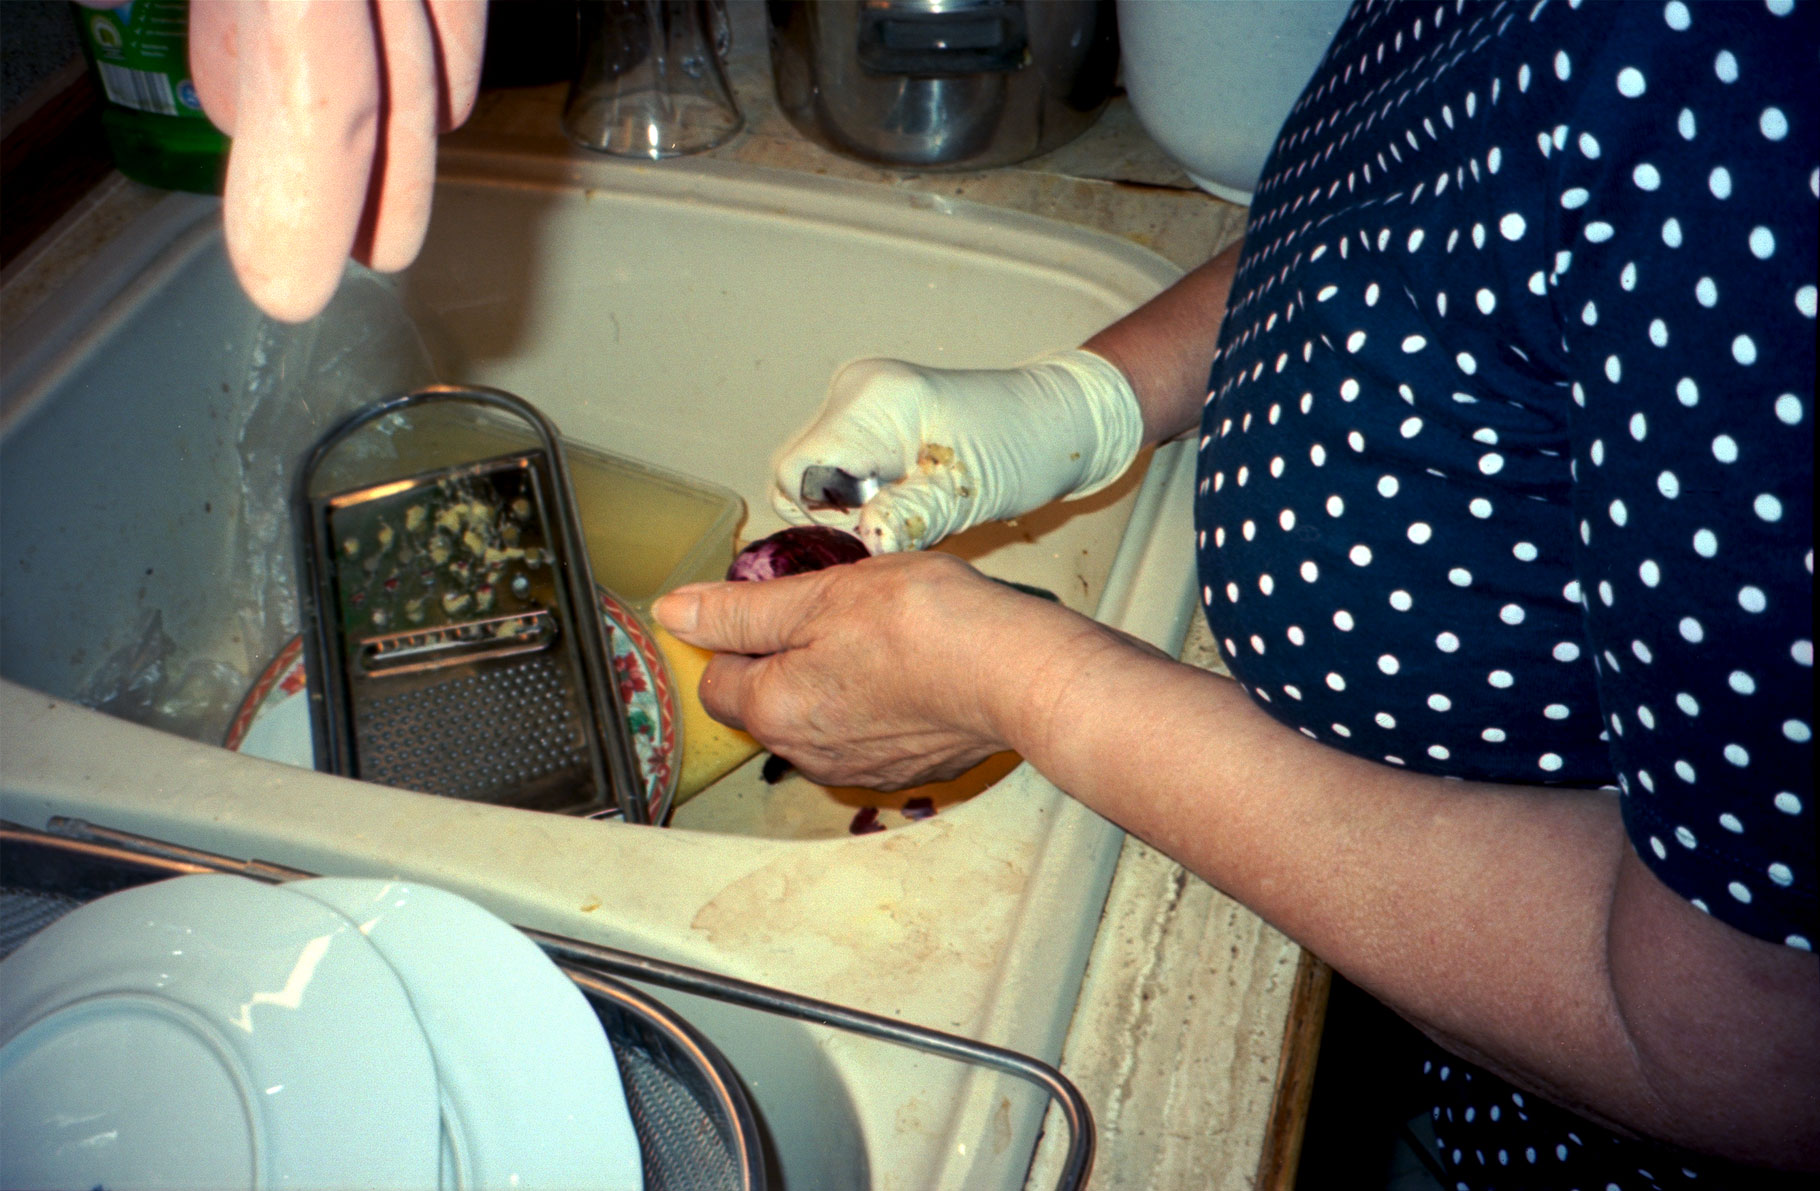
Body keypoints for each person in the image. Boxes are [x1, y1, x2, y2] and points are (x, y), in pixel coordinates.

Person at [645, 1, 1818, 1187]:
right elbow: (1429, 207)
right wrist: (1097, 398)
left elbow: (1749, 1051)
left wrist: (1025, 683)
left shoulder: (1755, 86)